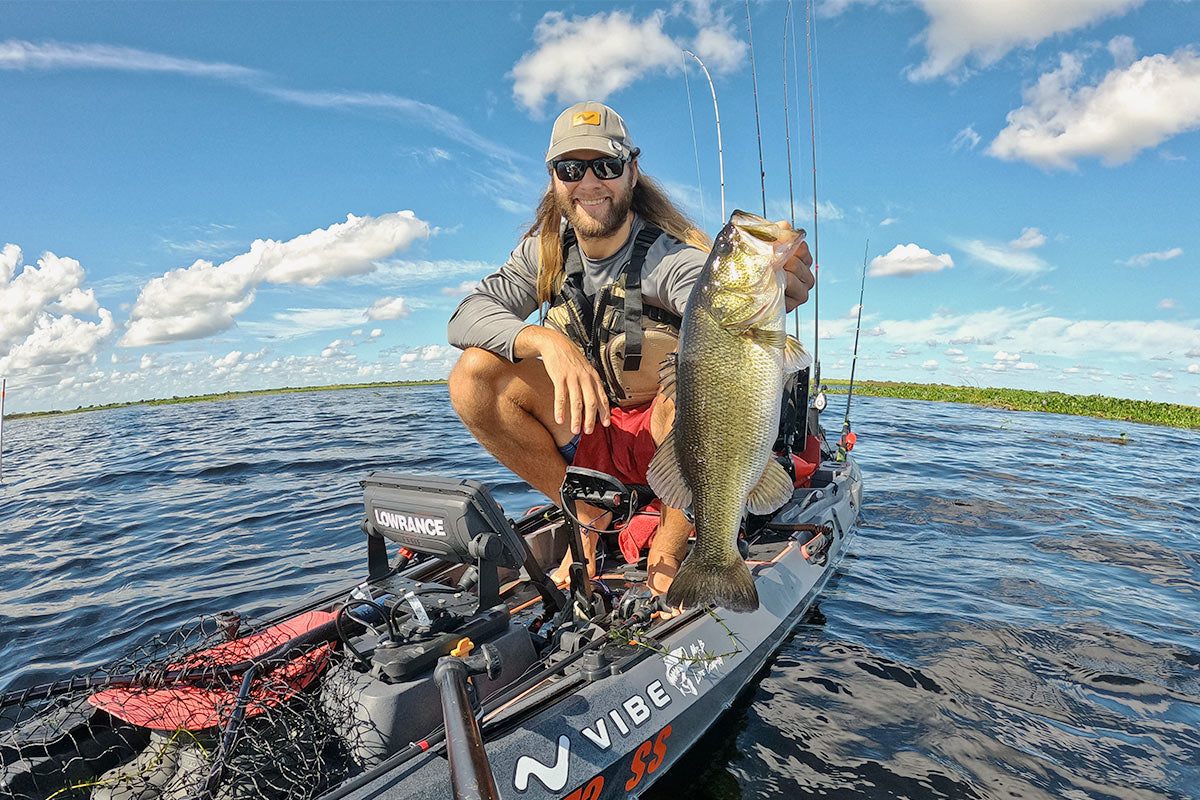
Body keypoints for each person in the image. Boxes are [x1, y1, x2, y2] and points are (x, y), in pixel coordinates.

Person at [447, 101, 814, 599]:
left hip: (670, 446)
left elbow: (712, 307)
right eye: (571, 169)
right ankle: (585, 520)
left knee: (690, 389)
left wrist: (774, 285)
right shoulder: (542, 254)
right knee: (473, 375)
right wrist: (546, 341)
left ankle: (674, 547)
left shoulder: (672, 258)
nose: (590, 182)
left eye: (607, 166)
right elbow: (466, 317)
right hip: (592, 436)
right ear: (554, 179)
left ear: (632, 172)